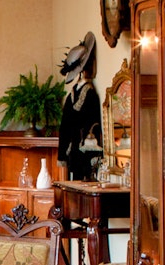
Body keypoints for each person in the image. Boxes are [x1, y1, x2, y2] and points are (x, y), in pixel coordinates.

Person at [58, 32, 103, 181]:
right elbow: (64, 127)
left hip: (82, 151)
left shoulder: (88, 94)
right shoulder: (78, 94)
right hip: (78, 152)